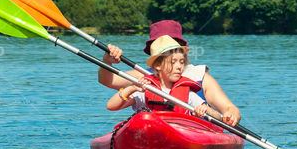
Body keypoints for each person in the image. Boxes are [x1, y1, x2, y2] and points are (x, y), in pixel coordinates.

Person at [99, 20, 242, 125]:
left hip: (191, 131)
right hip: (152, 130)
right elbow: (107, 80)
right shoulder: (144, 78)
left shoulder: (200, 77)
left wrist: (230, 115)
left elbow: (229, 109)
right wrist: (107, 60)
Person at [106, 35, 211, 117]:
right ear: (158, 65)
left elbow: (215, 116)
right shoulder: (145, 90)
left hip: (177, 134)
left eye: (182, 62)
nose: (179, 67)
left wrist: (203, 110)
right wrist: (132, 88)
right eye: (173, 62)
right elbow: (111, 106)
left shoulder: (188, 94)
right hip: (148, 132)